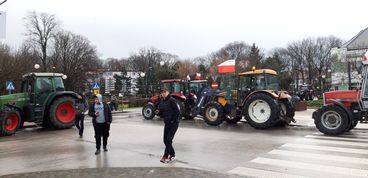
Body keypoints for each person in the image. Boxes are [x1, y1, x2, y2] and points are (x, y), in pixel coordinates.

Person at [155, 87, 180, 163]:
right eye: (162, 92)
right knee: (165, 140)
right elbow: (161, 113)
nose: (163, 93)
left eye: (164, 92)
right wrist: (157, 112)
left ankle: (165, 156)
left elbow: (177, 112)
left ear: (168, 92)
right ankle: (172, 154)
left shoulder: (172, 100)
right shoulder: (162, 102)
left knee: (169, 139)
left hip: (174, 123)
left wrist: (173, 120)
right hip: (167, 123)